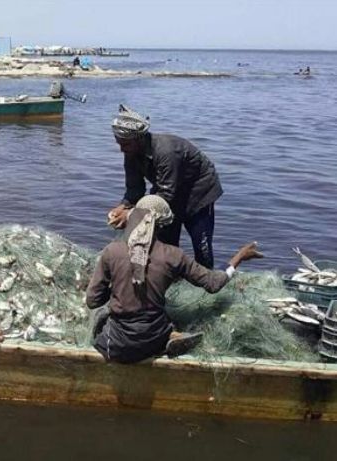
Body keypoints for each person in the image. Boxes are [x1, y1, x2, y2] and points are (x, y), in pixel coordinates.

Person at [87, 195, 263, 364]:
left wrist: (117, 288)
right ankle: (168, 338)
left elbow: (93, 300)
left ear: (135, 217)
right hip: (153, 339)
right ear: (162, 225)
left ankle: (166, 337)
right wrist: (239, 257)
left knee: (101, 317)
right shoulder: (173, 256)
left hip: (117, 345)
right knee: (164, 319)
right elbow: (213, 283)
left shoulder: (112, 251)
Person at [108, 105, 223, 269]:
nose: (121, 149)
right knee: (165, 244)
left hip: (198, 193)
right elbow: (135, 190)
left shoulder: (166, 152)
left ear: (139, 139)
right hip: (168, 191)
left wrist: (130, 215)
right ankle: (169, 276)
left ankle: (206, 279)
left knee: (201, 246)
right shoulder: (130, 154)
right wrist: (122, 207)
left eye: (125, 144)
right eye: (119, 143)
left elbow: (166, 196)